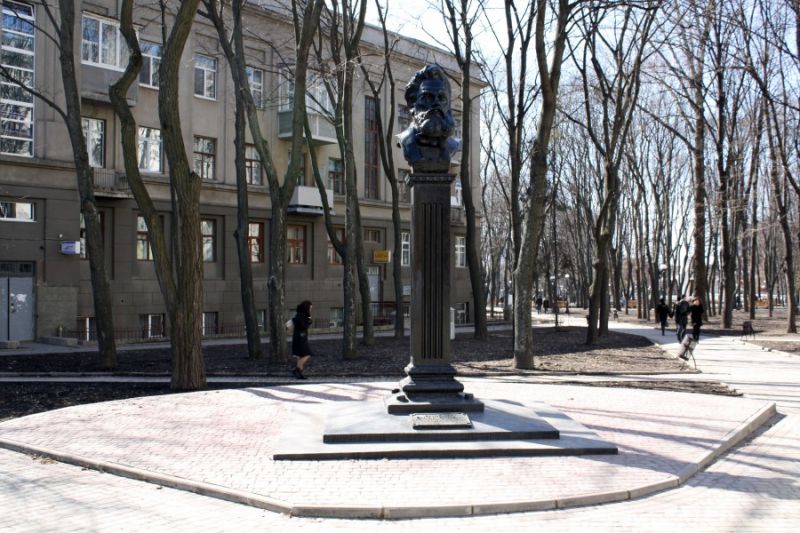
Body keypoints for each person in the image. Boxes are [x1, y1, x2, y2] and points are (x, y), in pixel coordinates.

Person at [291, 300, 313, 380]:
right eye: (310, 308)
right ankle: (297, 370)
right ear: (306, 307)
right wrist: (309, 321)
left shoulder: (300, 314)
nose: (310, 309)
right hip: (300, 338)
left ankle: (299, 373)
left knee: (301, 355)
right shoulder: (301, 315)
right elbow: (303, 326)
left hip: (299, 337)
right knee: (307, 354)